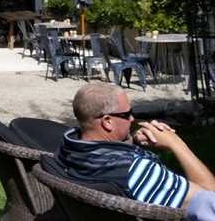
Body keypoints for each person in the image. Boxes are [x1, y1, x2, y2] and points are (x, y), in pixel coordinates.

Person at [54, 83, 215, 209]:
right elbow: (210, 200)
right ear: (107, 122)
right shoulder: (137, 171)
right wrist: (176, 143)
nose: (132, 119)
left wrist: (131, 141)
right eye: (127, 114)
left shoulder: (68, 148)